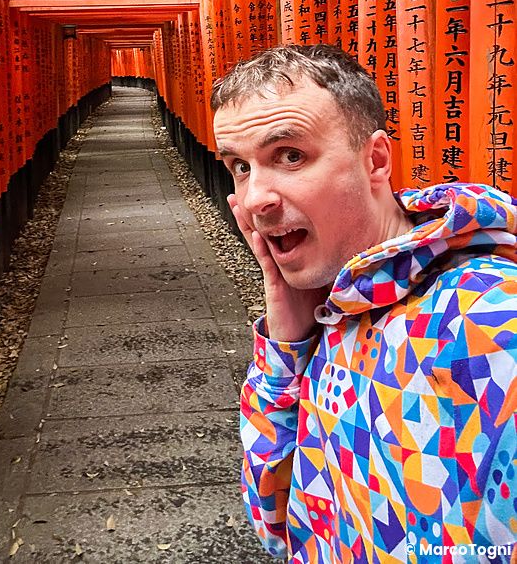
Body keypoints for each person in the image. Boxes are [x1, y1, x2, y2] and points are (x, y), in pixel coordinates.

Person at [211, 43, 517, 564]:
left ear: (375, 159)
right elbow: (275, 521)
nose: (256, 198)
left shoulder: (489, 320)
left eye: (290, 156)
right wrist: (286, 348)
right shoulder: (338, 306)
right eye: (240, 166)